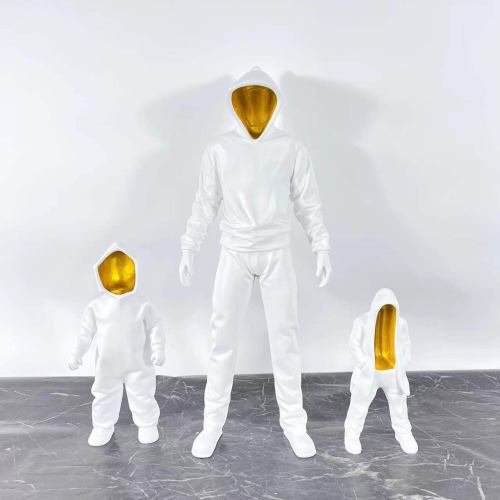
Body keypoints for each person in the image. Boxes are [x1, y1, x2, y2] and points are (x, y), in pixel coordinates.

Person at [180, 67, 332, 458]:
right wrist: (189, 246)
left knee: (286, 339)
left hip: (276, 251)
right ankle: (212, 424)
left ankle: (294, 424)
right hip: (233, 251)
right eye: (246, 99)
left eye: (262, 99)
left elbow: (308, 201)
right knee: (222, 339)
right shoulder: (219, 149)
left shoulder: (290, 147)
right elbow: (206, 201)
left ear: (274, 102)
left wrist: (321, 245)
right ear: (236, 103)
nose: (254, 109)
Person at [68, 242, 165, 446]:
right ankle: (103, 426)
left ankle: (148, 424)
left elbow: (155, 326)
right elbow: (85, 333)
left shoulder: (142, 304)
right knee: (104, 395)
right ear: (101, 274)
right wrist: (77, 353)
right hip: (107, 365)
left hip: (138, 363)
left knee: (143, 393)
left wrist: (158, 348)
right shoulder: (96, 307)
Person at [344, 288, 418, 454]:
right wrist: (365, 364)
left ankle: (404, 433)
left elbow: (406, 345)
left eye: (390, 308)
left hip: (393, 374)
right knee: (359, 404)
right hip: (370, 374)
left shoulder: (401, 323)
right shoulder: (361, 322)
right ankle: (352, 434)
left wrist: (403, 363)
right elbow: (354, 345)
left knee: (399, 406)